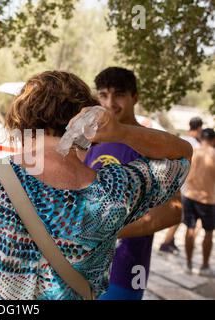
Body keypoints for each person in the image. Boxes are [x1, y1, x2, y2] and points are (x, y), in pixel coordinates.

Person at [0, 70, 191, 300]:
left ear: (19, 122)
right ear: (85, 124)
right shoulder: (113, 192)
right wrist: (122, 132)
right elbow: (181, 155)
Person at [84, 67, 181, 300]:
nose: (109, 103)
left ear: (134, 97)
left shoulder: (152, 143)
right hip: (82, 267)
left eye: (118, 95)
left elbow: (172, 213)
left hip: (126, 271)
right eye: (103, 95)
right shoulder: (91, 140)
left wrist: (107, 232)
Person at [159, 116, 203, 254]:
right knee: (179, 214)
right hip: (187, 184)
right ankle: (166, 243)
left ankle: (170, 241)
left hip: (175, 180)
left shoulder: (183, 141)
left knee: (178, 213)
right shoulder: (196, 145)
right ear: (199, 128)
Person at [182, 128, 215, 276]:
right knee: (208, 232)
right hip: (208, 199)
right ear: (213, 140)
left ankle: (188, 264)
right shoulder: (214, 154)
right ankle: (204, 266)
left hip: (189, 196)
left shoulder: (193, 151)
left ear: (201, 138)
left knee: (190, 229)